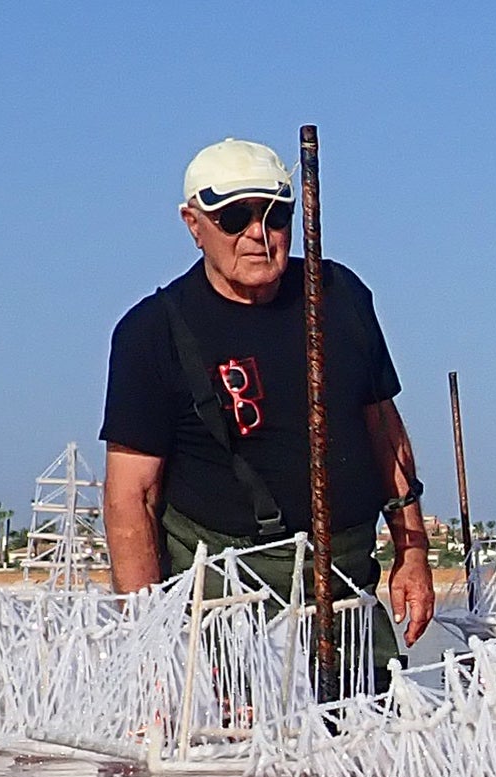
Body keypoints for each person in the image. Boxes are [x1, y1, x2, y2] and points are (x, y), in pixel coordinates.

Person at [99, 137, 438, 675]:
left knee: (370, 722)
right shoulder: (151, 332)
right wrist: (151, 647)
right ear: (193, 224)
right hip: (226, 595)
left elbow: (384, 430)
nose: (258, 234)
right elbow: (130, 496)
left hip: (345, 579)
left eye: (276, 216)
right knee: (237, 727)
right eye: (234, 218)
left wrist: (412, 550)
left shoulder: (339, 294)